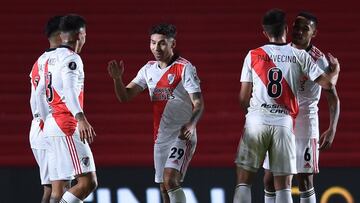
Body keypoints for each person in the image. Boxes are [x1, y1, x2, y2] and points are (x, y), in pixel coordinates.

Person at [233, 9, 339, 203]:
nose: (298, 31)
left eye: (305, 29)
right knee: (269, 179)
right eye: (297, 27)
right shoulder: (289, 51)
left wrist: (332, 129)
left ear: (313, 33)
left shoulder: (318, 59)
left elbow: (333, 96)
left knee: (304, 180)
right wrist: (336, 73)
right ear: (288, 28)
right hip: (282, 121)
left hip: (305, 122)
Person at [107, 23, 204, 203]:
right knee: (163, 187)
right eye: (153, 43)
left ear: (172, 44)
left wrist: (191, 124)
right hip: (161, 137)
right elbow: (125, 96)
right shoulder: (148, 69)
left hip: (182, 134)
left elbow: (198, 103)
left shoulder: (185, 68)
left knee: (170, 179)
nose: (156, 48)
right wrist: (117, 79)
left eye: (161, 43)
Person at [37, 14, 97, 203]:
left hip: (51, 123)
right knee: (88, 182)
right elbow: (69, 90)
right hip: (66, 124)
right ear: (81, 35)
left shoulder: (47, 58)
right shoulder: (73, 59)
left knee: (59, 188)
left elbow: (38, 92)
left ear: (62, 36)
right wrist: (81, 118)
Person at [29, 15, 71, 203]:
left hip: (39, 126)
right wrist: (49, 124)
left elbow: (36, 96)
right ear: (61, 35)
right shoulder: (56, 60)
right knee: (60, 188)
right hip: (49, 127)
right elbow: (39, 96)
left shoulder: (39, 61)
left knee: (51, 187)